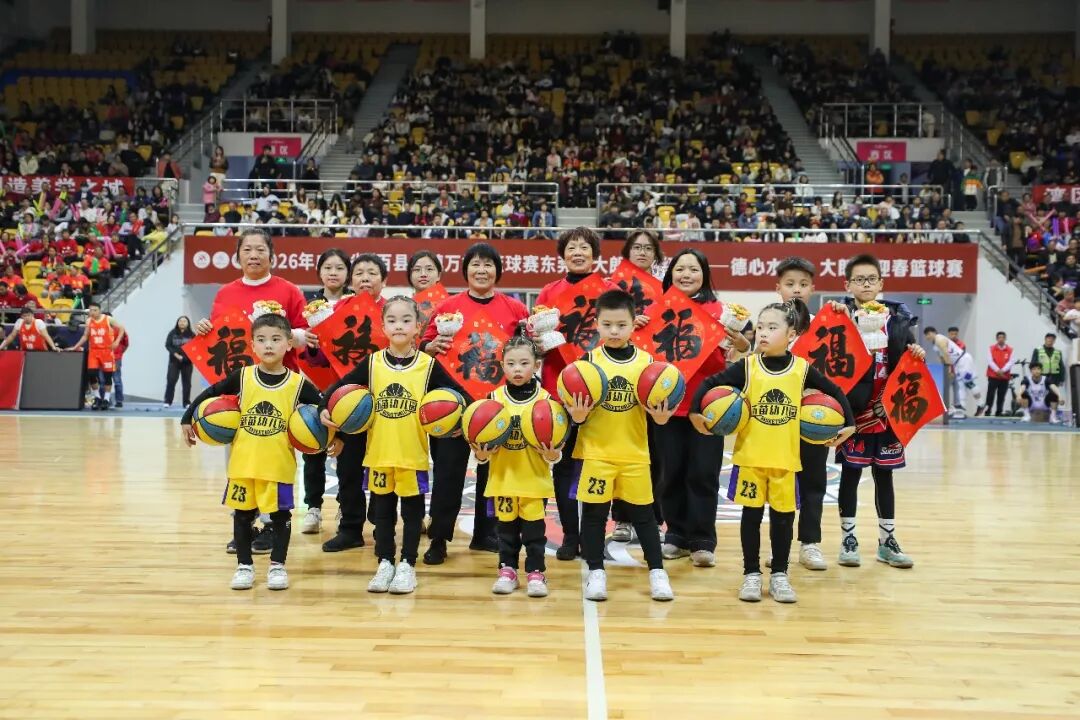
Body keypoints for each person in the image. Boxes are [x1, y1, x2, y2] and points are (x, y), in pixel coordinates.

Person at [690, 299, 854, 603]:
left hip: (785, 461)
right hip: (751, 460)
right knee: (751, 517)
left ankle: (780, 574)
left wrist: (850, 424)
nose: (763, 333)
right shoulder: (748, 366)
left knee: (783, 520)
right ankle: (751, 574)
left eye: (772, 327)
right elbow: (710, 383)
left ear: (791, 334)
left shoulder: (801, 369)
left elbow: (835, 391)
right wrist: (695, 413)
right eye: (761, 327)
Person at [321, 296, 468, 594]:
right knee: (383, 513)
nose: (398, 325)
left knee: (412, 513)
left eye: (405, 320)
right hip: (378, 453)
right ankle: (385, 562)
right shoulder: (373, 363)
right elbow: (340, 386)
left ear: (417, 327)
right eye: (392, 320)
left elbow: (460, 395)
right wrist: (325, 406)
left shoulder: (427, 365)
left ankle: (407, 565)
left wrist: (462, 420)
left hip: (412, 454)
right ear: (383, 327)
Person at [181, 311, 322, 591]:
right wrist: (187, 418)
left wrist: (334, 436)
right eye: (261, 339)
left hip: (278, 466)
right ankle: (244, 566)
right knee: (242, 516)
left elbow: (324, 406)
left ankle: (277, 566)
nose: (268, 345)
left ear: (289, 344)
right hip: (243, 465)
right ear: (252, 345)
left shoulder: (297, 384)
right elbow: (210, 393)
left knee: (280, 518)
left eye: (276, 339)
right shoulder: (243, 377)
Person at [192, 228, 307, 555]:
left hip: (280, 387)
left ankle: (273, 522)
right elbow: (219, 336)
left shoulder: (289, 290)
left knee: (277, 453)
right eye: (247, 249)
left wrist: (284, 331)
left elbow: (306, 335)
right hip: (241, 389)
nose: (254, 255)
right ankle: (244, 521)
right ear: (238, 255)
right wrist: (204, 328)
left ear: (272, 255)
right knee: (239, 454)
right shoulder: (226, 292)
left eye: (260, 249)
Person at [419, 242, 529, 566]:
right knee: (448, 473)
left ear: (498, 270)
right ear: (465, 270)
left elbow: (526, 349)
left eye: (488, 264)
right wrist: (429, 345)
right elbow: (424, 346)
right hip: (452, 403)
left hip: (496, 403)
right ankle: (439, 537)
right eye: (475, 264)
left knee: (492, 472)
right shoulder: (447, 307)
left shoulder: (515, 308)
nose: (482, 270)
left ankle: (486, 533)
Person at [565, 289, 675, 602]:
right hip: (596, 453)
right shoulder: (586, 364)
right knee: (595, 516)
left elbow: (657, 414)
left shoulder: (649, 365)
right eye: (607, 324)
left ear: (633, 324)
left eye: (621, 325)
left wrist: (661, 419)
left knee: (645, 517)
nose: (614, 331)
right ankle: (596, 571)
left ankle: (657, 572)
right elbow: (574, 413)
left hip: (634, 453)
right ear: (596, 324)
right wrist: (577, 417)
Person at [833, 254, 926, 570]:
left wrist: (917, 352)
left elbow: (910, 356)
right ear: (848, 284)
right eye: (859, 279)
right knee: (850, 473)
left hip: (888, 411)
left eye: (871, 279)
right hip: (855, 411)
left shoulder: (898, 319)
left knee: (884, 475)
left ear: (881, 283)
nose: (866, 284)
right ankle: (848, 540)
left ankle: (887, 542)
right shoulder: (841, 318)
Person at [657, 249, 749, 568]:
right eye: (680, 269)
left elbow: (740, 349)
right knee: (670, 473)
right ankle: (675, 535)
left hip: (709, 407)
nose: (686, 274)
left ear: (705, 274)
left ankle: (702, 539)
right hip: (668, 407)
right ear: (670, 274)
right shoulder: (658, 308)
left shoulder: (722, 311)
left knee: (703, 473)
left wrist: (741, 343)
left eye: (693, 269)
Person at [534, 228, 619, 560]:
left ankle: (594, 534)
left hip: (604, 391)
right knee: (565, 464)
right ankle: (571, 535)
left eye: (585, 247)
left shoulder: (611, 291)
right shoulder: (548, 292)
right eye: (572, 247)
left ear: (595, 255)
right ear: (563, 254)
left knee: (600, 464)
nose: (578, 252)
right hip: (559, 389)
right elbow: (539, 344)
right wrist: (536, 340)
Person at [475, 335, 561, 597]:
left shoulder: (546, 400)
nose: (517, 369)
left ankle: (536, 572)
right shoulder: (493, 399)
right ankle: (507, 570)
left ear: (536, 365)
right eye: (511, 364)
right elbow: (481, 450)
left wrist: (552, 454)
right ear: (502, 366)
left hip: (534, 480)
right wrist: (480, 454)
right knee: (506, 531)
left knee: (534, 533)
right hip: (503, 479)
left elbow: (554, 449)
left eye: (524, 363)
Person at [318, 253, 388, 552]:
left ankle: (384, 525)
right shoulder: (334, 312)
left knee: (384, 468)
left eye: (372, 273)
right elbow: (320, 360)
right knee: (347, 468)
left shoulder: (394, 311)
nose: (365, 278)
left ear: (383, 280)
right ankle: (350, 528)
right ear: (351, 279)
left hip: (387, 405)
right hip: (348, 403)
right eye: (359, 273)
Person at [774, 256, 831, 571]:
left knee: (813, 482)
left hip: (814, 418)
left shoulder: (825, 326)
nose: (796, 290)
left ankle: (810, 544)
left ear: (812, 289)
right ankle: (779, 546)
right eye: (790, 284)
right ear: (778, 288)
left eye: (803, 284)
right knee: (779, 484)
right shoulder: (770, 323)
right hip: (776, 417)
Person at [611, 229, 663, 544]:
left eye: (648, 248)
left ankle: (653, 516)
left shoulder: (666, 290)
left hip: (652, 376)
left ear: (656, 255)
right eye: (637, 247)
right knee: (620, 449)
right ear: (627, 252)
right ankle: (621, 517)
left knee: (654, 451)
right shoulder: (612, 287)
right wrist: (630, 322)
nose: (642, 252)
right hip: (618, 375)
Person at [299, 249, 353, 536]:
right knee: (313, 447)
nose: (333, 273)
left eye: (339, 267)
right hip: (314, 385)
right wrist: (308, 343)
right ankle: (313, 507)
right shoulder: (308, 305)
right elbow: (297, 345)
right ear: (319, 271)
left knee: (348, 450)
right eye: (328, 267)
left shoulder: (356, 304)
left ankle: (346, 504)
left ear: (348, 273)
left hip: (348, 388)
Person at [68, 302, 125, 410]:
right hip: (94, 351)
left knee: (108, 376)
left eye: (95, 310)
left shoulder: (108, 319)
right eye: (91, 310)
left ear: (99, 310)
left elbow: (122, 328)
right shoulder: (89, 321)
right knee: (91, 374)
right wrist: (75, 346)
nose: (92, 312)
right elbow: (85, 336)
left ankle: (106, 399)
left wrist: (117, 341)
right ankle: (97, 397)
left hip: (106, 351)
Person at [924, 326, 980, 419]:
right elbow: (942, 357)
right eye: (926, 335)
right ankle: (959, 409)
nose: (927, 337)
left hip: (963, 360)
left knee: (965, 383)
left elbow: (946, 353)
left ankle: (980, 403)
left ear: (932, 333)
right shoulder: (935, 345)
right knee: (959, 384)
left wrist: (949, 368)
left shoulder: (939, 339)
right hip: (957, 363)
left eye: (928, 335)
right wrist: (945, 369)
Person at [163, 316, 195, 408]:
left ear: (188, 323)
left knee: (187, 383)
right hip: (174, 361)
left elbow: (195, 348)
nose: (182, 322)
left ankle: (186, 402)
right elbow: (168, 345)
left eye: (184, 321)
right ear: (177, 322)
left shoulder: (192, 335)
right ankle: (167, 401)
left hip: (187, 362)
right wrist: (176, 355)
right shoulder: (172, 333)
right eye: (180, 321)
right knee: (171, 381)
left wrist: (185, 357)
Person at [985, 331, 1015, 417]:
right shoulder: (991, 348)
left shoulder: (1010, 350)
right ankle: (987, 411)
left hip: (1004, 376)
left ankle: (999, 412)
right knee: (990, 395)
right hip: (993, 376)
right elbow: (990, 361)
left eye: (1003, 337)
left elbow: (1011, 362)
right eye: (999, 338)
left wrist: (1003, 370)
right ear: (996, 339)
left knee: (1001, 395)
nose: (1001, 339)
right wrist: (998, 370)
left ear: (1005, 339)